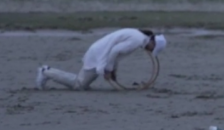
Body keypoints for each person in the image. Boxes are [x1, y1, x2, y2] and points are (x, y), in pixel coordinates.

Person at [35, 28, 166, 90]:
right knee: (79, 85)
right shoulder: (138, 40)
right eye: (152, 49)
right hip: (98, 55)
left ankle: (48, 72)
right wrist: (108, 70)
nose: (150, 51)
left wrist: (113, 71)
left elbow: (117, 54)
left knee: (82, 83)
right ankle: (46, 72)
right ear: (153, 42)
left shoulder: (138, 37)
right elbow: (114, 51)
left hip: (99, 52)